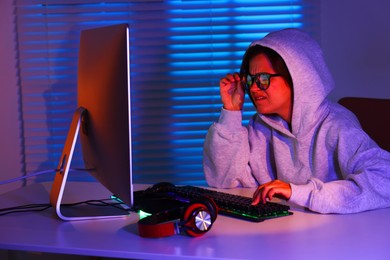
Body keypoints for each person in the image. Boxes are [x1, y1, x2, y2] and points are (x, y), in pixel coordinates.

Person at [203, 28, 390, 214]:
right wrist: (231, 112)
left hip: (334, 234)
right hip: (279, 233)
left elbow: (385, 180)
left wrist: (299, 192)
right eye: (250, 79)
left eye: (263, 79)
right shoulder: (259, 127)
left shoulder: (337, 125)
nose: (253, 88)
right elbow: (223, 181)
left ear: (298, 76)